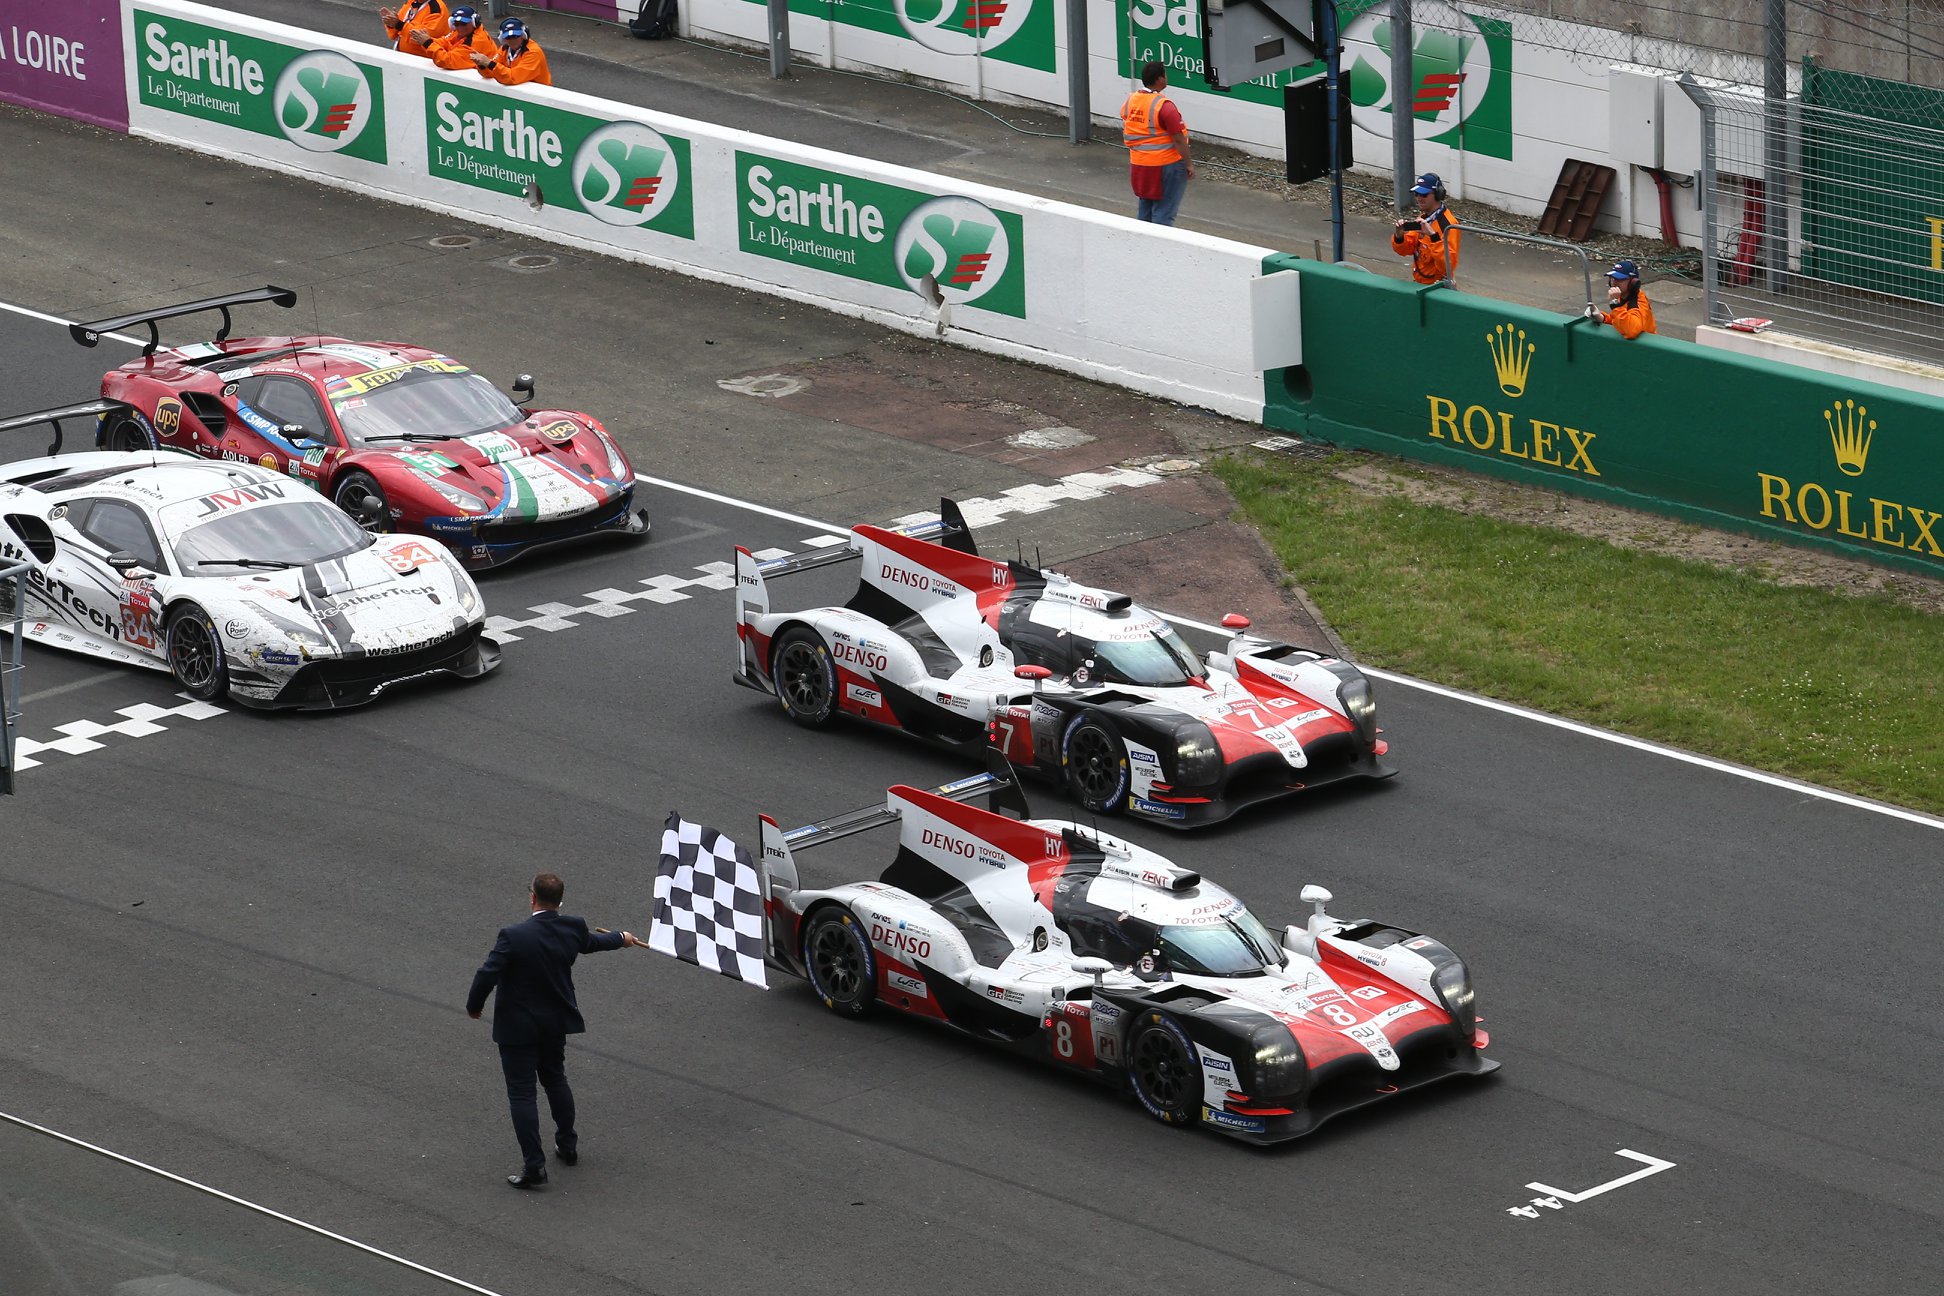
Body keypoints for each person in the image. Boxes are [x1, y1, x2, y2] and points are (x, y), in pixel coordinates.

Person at [466, 872, 641, 1189]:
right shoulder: (572, 927)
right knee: (555, 1080)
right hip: (554, 1023)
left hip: (517, 1027)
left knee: (522, 1094)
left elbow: (487, 974)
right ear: (559, 900)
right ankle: (567, 1145)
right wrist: (622, 938)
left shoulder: (513, 935)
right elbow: (594, 942)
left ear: (532, 897)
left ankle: (534, 1166)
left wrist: (474, 1005)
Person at [1121, 61, 1193, 226]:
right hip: (1166, 166)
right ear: (1160, 79)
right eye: (1165, 75)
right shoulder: (1164, 106)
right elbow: (1178, 138)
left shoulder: (1131, 100)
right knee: (1164, 214)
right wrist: (1188, 163)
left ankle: (1141, 247)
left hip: (1139, 166)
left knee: (1144, 212)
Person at [1392, 172, 1461, 287]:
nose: (1419, 198)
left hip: (1439, 288)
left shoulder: (1448, 225)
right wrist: (1399, 237)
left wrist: (1433, 236)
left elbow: (1447, 267)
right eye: (1416, 194)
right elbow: (1406, 250)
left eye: (1424, 195)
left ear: (1438, 195)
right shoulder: (1423, 218)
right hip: (1420, 284)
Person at [473, 17, 552, 87]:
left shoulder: (533, 52)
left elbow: (513, 77)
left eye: (515, 36)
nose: (512, 40)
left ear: (523, 35)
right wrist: (482, 65)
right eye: (508, 37)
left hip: (539, 95)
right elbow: (490, 73)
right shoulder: (504, 49)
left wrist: (489, 63)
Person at [412, 5, 495, 69]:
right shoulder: (458, 32)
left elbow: (447, 61)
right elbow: (444, 42)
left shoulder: (477, 41)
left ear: (474, 22)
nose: (460, 27)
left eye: (463, 24)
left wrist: (428, 43)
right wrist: (426, 40)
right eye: (456, 24)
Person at [1596, 258, 1658, 338]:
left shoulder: (1639, 302)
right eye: (1613, 279)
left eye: (1620, 279)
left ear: (1633, 283)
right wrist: (1602, 318)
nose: (1614, 283)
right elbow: (1620, 321)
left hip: (1646, 347)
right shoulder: (1621, 295)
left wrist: (1615, 304)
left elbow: (1631, 330)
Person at [379, 0, 449, 58]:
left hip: (422, 61)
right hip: (401, 55)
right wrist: (391, 23)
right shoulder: (411, 2)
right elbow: (396, 33)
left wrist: (398, 24)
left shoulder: (436, 8)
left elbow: (424, 36)